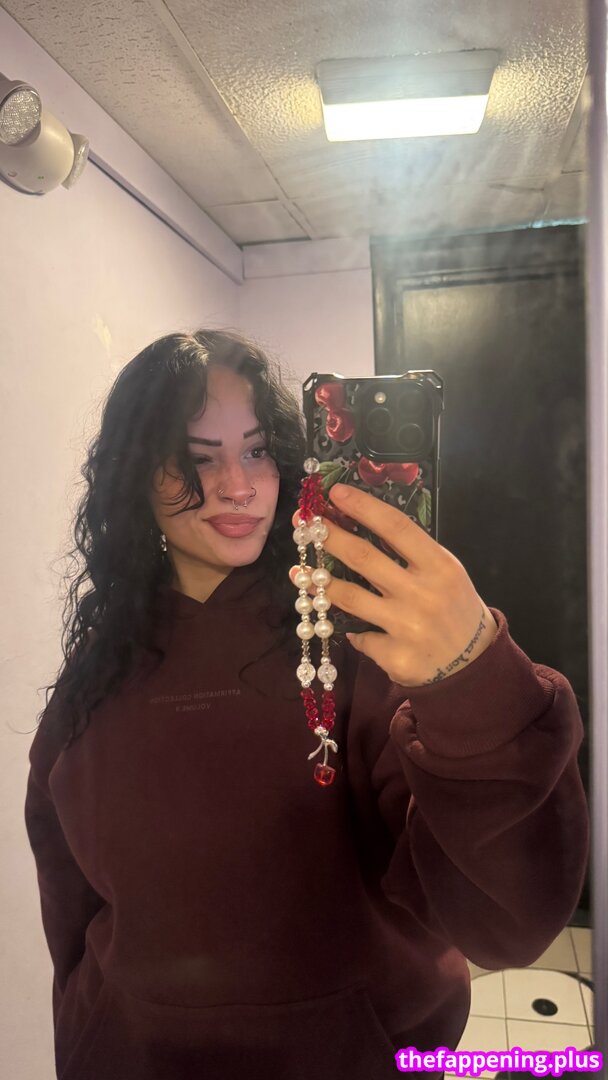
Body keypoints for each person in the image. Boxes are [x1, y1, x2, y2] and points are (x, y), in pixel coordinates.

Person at [24, 329, 589, 1080]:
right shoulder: (96, 675)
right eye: (198, 457)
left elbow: (508, 922)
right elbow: (70, 913)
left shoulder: (351, 645)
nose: (237, 485)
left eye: (257, 450)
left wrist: (472, 674)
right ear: (135, 473)